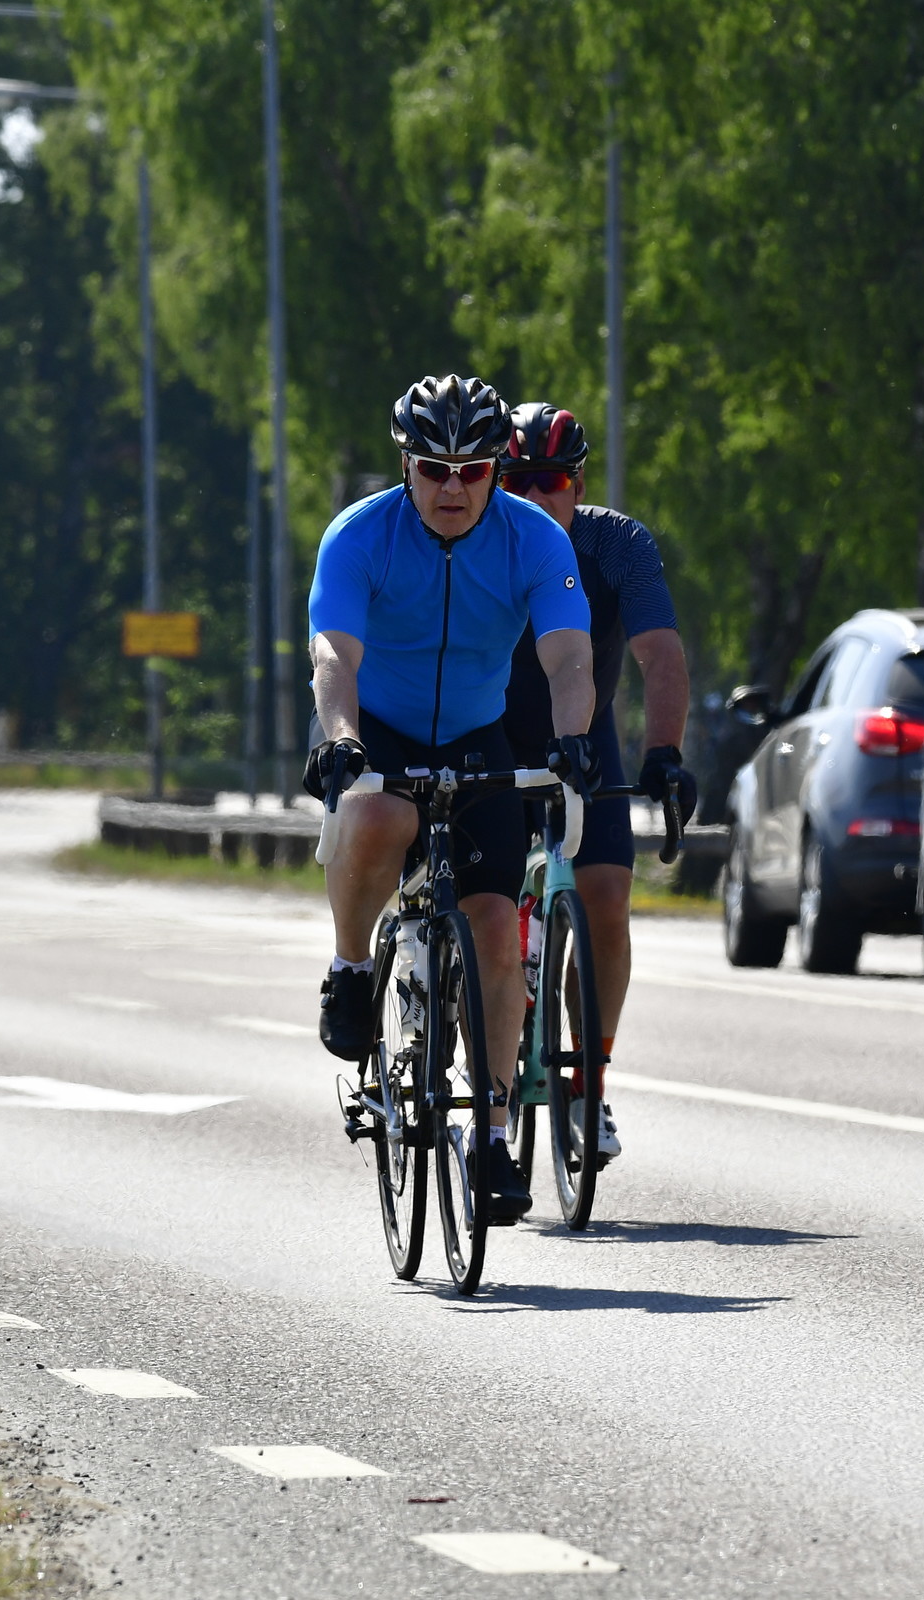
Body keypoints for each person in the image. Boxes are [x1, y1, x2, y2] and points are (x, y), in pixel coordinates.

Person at [305, 375, 596, 1222]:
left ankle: (492, 1137)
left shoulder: (534, 540)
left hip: (476, 735)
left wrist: (573, 738)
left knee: (497, 933)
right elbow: (334, 654)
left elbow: (569, 659)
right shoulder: (360, 534)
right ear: (406, 464)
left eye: (473, 471)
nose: (453, 489)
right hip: (377, 727)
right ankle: (351, 969)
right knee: (380, 813)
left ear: (498, 469)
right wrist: (341, 739)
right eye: (435, 469)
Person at [497, 404, 695, 1165]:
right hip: (490, 736)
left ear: (579, 486)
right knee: (484, 911)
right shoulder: (474, 543)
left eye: (552, 481)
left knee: (607, 901)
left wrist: (665, 753)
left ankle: (590, 1083)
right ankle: (478, 1055)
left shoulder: (618, 545)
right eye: (517, 480)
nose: (535, 495)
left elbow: (660, 655)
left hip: (585, 739)